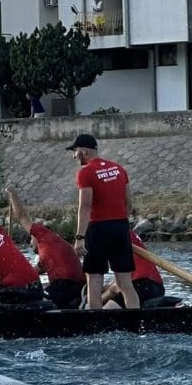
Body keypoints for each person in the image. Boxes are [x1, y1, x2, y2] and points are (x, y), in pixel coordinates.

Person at [69, 133, 140, 310]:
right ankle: (136, 320)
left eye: (75, 151)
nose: (74, 156)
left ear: (84, 151)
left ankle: (97, 322)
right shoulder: (119, 169)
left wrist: (80, 237)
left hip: (98, 229)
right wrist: (121, 223)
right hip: (120, 227)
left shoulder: (85, 172)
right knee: (125, 283)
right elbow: (129, 203)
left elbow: (85, 206)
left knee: (94, 279)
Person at [5, 187, 84, 309]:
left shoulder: (43, 235)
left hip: (64, 285)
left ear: (36, 236)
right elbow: (29, 274)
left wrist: (12, 195)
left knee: (29, 299)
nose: (30, 243)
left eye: (30, 239)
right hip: (75, 289)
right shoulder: (50, 252)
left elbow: (22, 217)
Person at [103, 228, 165, 308]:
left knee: (107, 307)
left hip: (145, 286)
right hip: (155, 287)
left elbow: (117, 286)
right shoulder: (125, 232)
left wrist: (100, 298)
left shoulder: (115, 236)